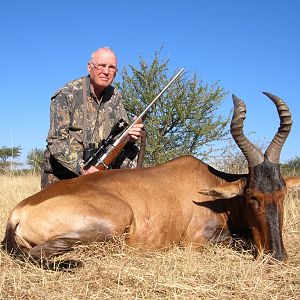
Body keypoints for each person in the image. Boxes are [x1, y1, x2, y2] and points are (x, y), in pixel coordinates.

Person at [41, 47, 144, 189]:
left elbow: (120, 136)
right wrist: (82, 168)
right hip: (65, 174)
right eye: (101, 66)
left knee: (132, 150)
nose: (106, 72)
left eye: (112, 68)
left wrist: (130, 136)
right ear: (90, 67)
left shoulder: (115, 97)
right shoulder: (67, 94)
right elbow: (56, 141)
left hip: (99, 171)